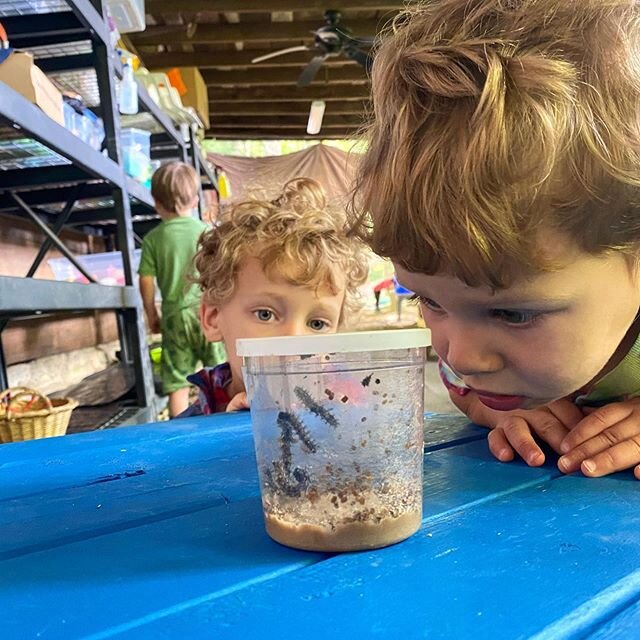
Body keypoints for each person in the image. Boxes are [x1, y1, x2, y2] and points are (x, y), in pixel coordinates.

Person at [352, 0, 640, 480]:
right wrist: (499, 411)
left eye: (513, 313)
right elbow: (463, 387)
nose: (461, 355)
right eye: (429, 300)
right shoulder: (470, 339)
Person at [180, 178, 368, 415]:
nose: (294, 344)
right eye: (266, 314)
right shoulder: (188, 426)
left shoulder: (347, 406)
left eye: (317, 324)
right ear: (213, 317)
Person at [138, 161, 225, 417]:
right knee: (220, 372)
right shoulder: (206, 232)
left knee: (177, 382)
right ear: (194, 199)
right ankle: (222, 424)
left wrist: (151, 314)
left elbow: (146, 280)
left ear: (156, 202)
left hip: (174, 316)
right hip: (208, 312)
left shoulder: (153, 238)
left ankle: (180, 432)